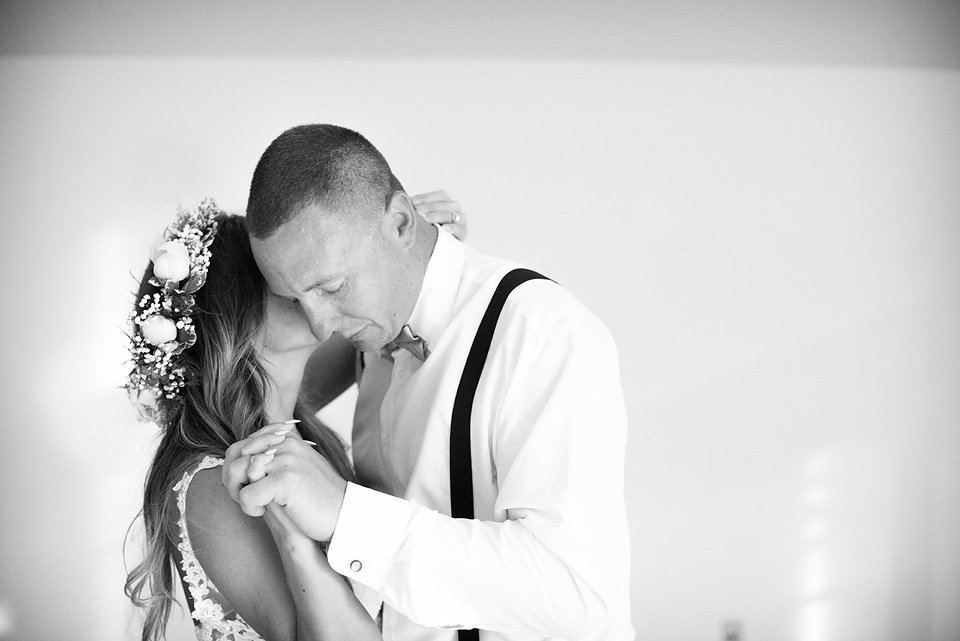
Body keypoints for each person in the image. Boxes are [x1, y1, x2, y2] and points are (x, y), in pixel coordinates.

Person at [224, 124, 634, 640]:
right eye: (295, 299)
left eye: (331, 287)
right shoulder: (370, 335)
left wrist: (346, 516)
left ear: (399, 223)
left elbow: (578, 595)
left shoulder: (541, 332)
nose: (320, 326)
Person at [124, 197, 468, 641]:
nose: (314, 284)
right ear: (237, 314)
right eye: (285, 282)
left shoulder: (291, 432)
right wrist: (294, 543)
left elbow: (374, 325)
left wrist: (394, 252)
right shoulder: (216, 484)